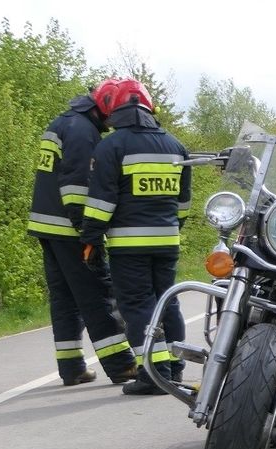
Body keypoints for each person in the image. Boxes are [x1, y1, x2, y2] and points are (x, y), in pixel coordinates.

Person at [80, 78, 191, 395]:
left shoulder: (111, 147)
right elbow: (183, 204)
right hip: (168, 242)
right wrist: (170, 227)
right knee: (167, 302)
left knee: (139, 305)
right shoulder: (175, 146)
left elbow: (101, 203)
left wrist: (90, 239)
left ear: (115, 111)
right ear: (148, 106)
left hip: (130, 246)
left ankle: (155, 376)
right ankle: (174, 367)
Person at [27, 91, 138, 386]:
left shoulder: (64, 122)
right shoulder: (82, 131)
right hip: (68, 227)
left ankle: (72, 367)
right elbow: (76, 184)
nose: (113, 124)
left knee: (65, 299)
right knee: (97, 295)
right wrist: (86, 230)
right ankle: (122, 365)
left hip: (47, 225)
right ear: (103, 110)